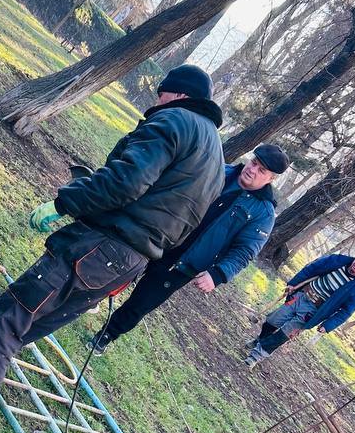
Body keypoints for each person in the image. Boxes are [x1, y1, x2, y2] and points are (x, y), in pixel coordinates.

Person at [0, 65, 225, 433]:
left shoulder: (174, 121)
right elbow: (189, 226)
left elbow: (124, 182)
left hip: (101, 245)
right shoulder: (215, 159)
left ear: (178, 94)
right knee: (34, 320)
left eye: (162, 94)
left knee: (12, 314)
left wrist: (64, 202)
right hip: (131, 261)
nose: (157, 101)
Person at [92, 143, 290, 352]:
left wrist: (218, 274)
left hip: (183, 264)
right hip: (159, 237)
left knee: (141, 303)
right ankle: (85, 301)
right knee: (115, 271)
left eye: (261, 170)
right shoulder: (219, 171)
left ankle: (106, 335)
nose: (252, 170)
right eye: (254, 162)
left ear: (271, 178)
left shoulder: (263, 213)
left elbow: (245, 251)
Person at [245, 251, 355, 366]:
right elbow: (311, 268)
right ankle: (260, 340)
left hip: (313, 311)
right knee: (273, 320)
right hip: (300, 296)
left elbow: (346, 312)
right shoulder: (337, 260)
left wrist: (328, 325)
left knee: (285, 334)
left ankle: (256, 356)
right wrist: (293, 283)